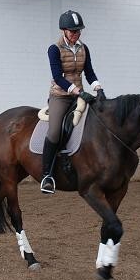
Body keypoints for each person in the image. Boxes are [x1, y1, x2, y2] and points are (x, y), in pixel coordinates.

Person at [40, 10, 106, 194]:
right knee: (54, 131)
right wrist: (77, 91)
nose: (76, 34)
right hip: (60, 96)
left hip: (79, 94)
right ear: (64, 30)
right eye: (72, 31)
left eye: (78, 31)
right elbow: (57, 77)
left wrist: (98, 88)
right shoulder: (54, 49)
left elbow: (89, 72)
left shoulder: (84, 48)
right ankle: (47, 175)